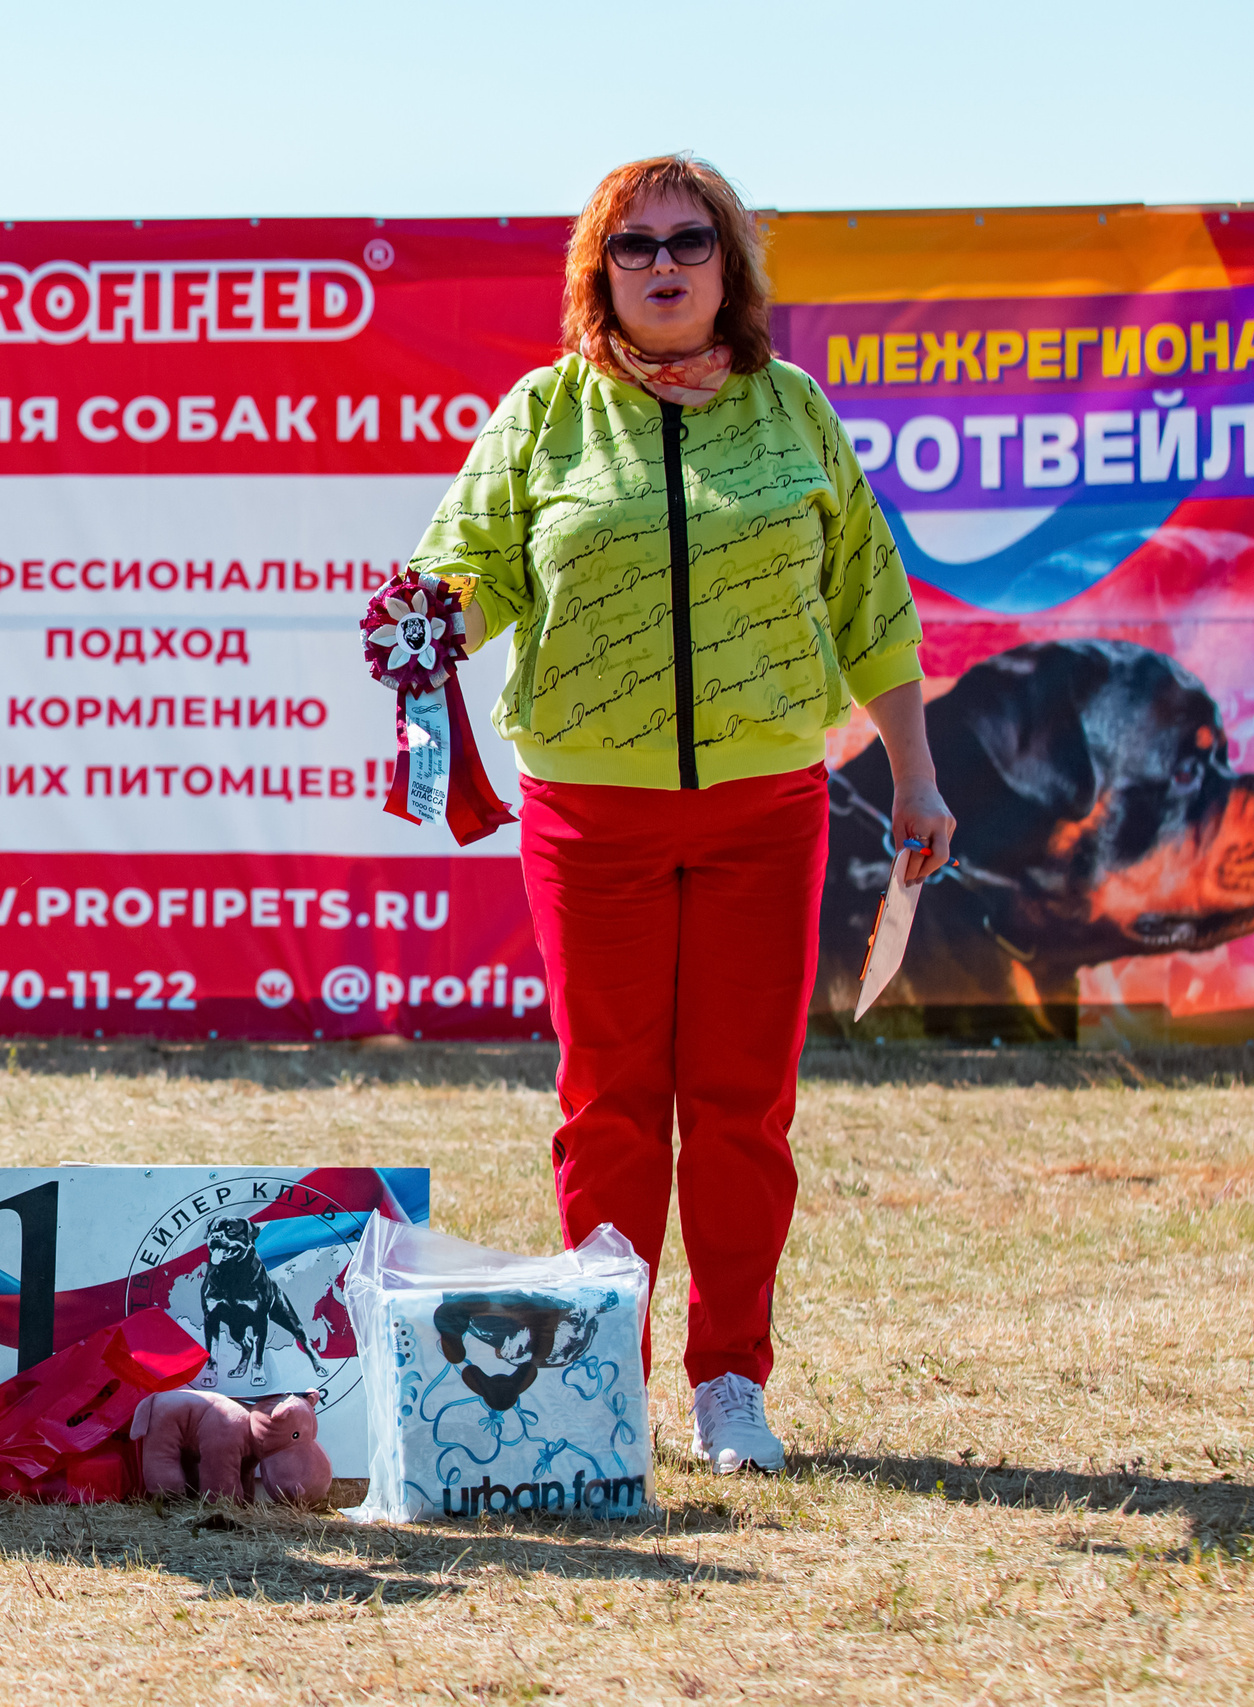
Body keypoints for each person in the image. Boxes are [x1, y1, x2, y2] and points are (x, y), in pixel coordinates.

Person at [406, 156, 955, 1475]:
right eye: (634, 246)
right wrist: (423, 627)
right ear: (599, 274)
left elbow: (868, 599)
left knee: (740, 1110)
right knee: (607, 1106)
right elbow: (465, 577)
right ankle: (598, 1394)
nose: (663, 264)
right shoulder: (544, 415)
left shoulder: (791, 412)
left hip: (769, 810)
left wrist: (917, 771)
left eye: (690, 242)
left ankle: (730, 1385)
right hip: (591, 819)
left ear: (730, 266)